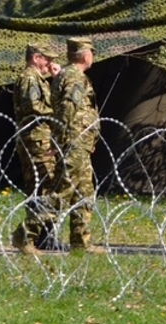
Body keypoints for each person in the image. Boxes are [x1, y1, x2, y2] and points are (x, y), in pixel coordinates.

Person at [52, 37, 104, 254]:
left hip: (80, 141)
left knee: (84, 192)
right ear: (84, 54)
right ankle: (27, 232)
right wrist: (62, 137)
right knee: (63, 190)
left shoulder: (68, 74)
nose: (92, 56)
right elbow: (67, 108)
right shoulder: (75, 77)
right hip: (74, 140)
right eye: (91, 52)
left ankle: (81, 241)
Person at [11, 43, 61, 254]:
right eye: (47, 59)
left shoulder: (39, 79)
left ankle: (43, 238)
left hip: (41, 138)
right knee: (46, 186)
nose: (50, 64)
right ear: (36, 58)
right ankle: (25, 237)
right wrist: (57, 111)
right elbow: (33, 106)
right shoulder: (30, 78)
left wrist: (56, 80)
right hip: (36, 139)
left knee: (43, 188)